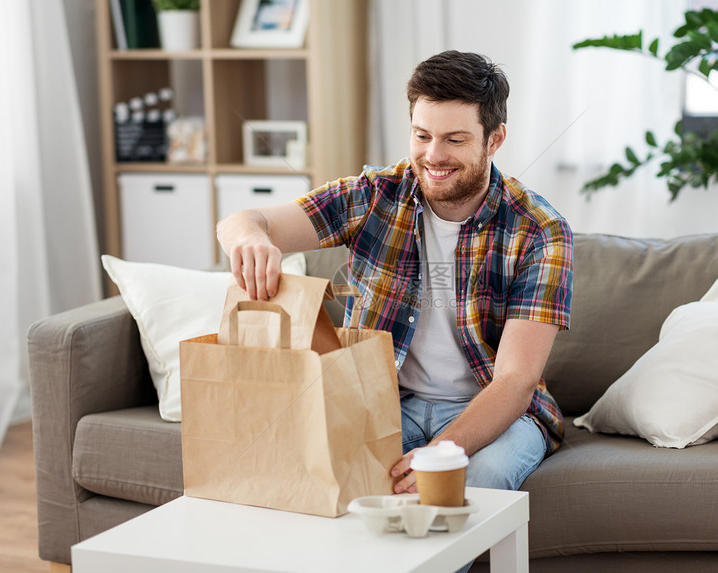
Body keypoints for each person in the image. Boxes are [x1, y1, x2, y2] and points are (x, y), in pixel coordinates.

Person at [217, 50, 573, 497]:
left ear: (494, 139)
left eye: (455, 140)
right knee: (324, 473)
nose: (433, 156)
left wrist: (441, 452)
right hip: (386, 405)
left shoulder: (540, 230)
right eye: (422, 135)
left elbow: (515, 382)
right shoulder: (375, 195)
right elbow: (245, 220)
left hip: (495, 411)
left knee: (474, 482)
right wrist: (248, 239)